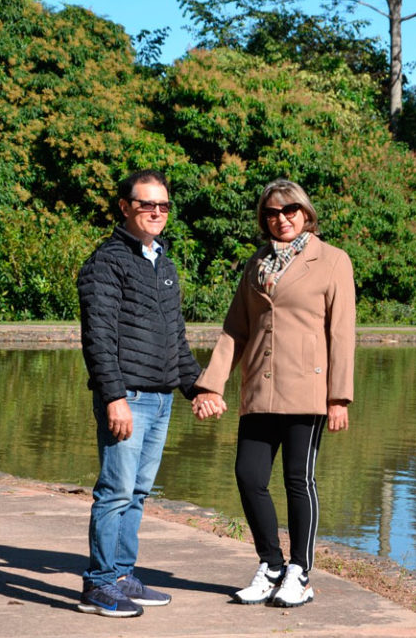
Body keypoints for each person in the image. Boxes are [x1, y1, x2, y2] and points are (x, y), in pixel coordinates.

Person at [191, 178, 355, 608]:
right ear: (263, 218)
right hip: (259, 389)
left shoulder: (333, 261)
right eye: (271, 213)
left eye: (289, 211)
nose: (281, 219)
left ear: (306, 214)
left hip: (308, 391)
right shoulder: (256, 265)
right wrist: (211, 384)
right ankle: (272, 565)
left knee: (298, 480)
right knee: (249, 477)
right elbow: (235, 330)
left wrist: (339, 397)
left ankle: (300, 573)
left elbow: (342, 334)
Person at [76, 169, 203, 617]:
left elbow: (176, 341)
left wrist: (197, 388)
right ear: (125, 207)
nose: (156, 212)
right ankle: (98, 584)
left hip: (160, 397)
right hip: (127, 395)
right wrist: (114, 398)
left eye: (163, 205)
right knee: (114, 492)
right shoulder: (107, 261)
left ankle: (122, 576)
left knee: (138, 493)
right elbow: (99, 338)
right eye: (147, 204)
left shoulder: (161, 262)